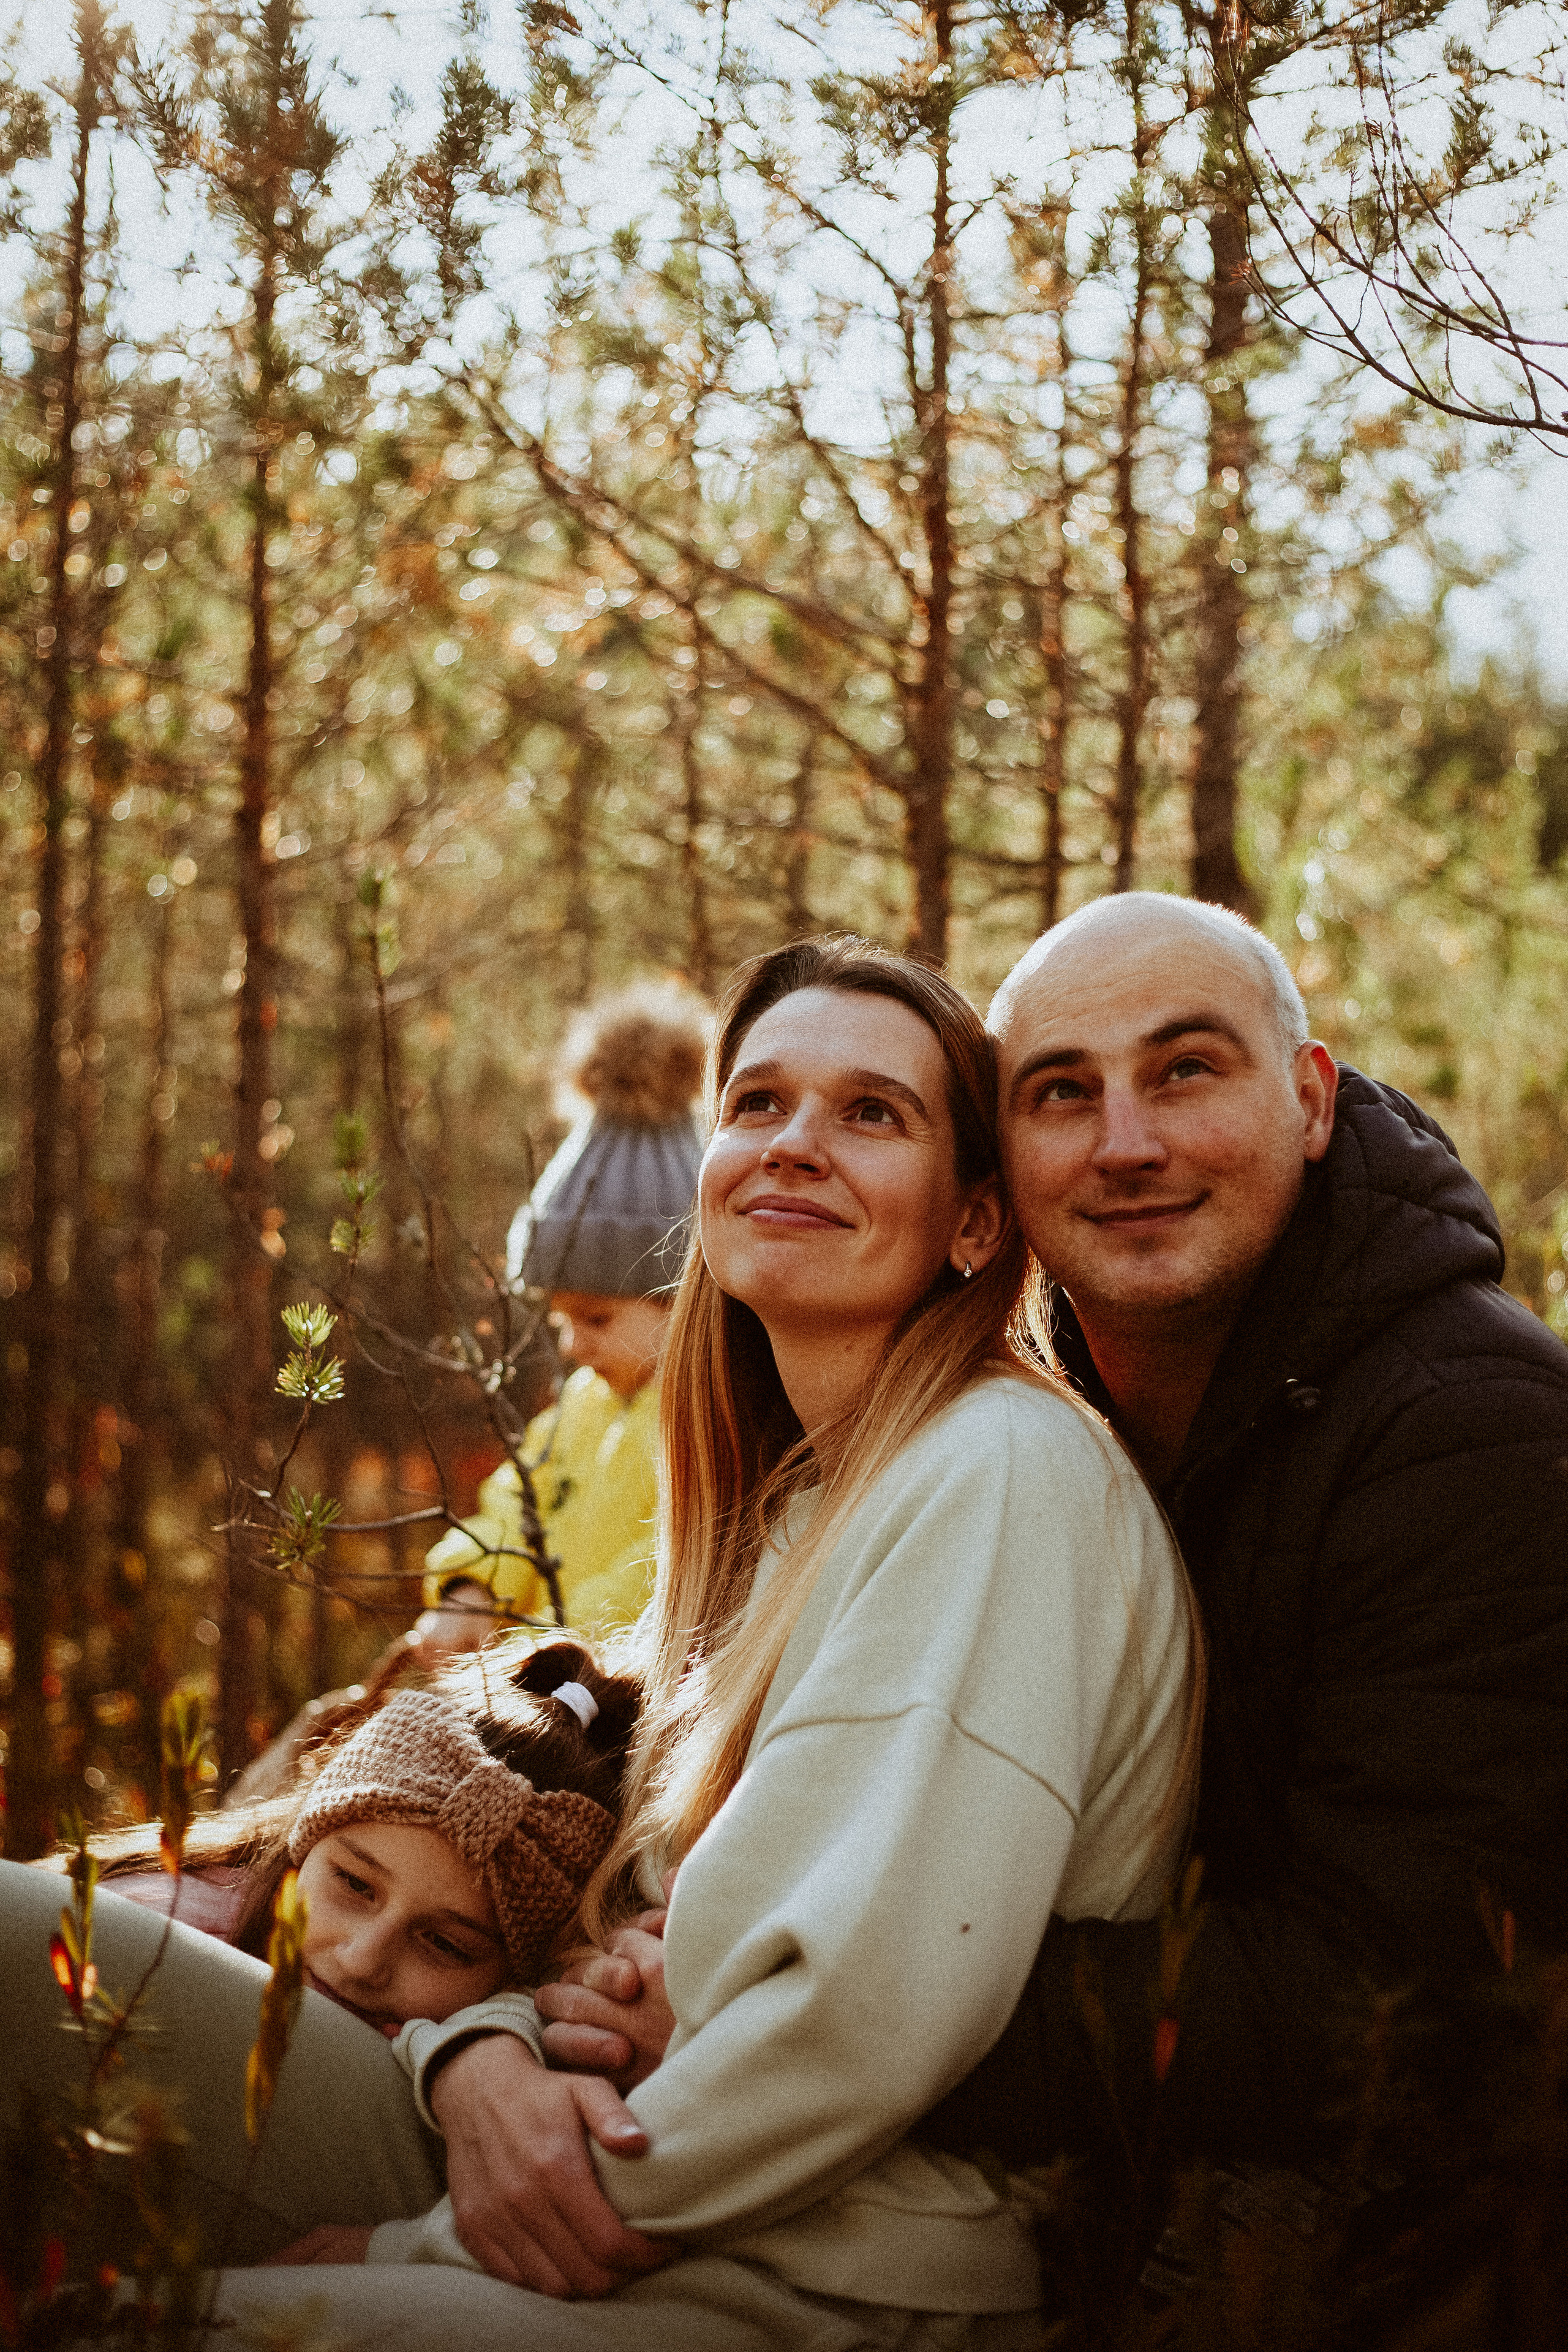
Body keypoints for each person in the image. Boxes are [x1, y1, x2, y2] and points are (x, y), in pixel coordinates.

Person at [23, 935, 1200, 2351]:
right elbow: (614, 1938)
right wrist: (478, 2056)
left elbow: (853, 2015)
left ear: (968, 1221)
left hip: (809, 2272)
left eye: (868, 1112)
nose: (793, 1145)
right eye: (756, 1104)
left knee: (112, 2327)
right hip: (626, 2173)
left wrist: (427, 2242)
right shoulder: (795, 1507)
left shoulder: (998, 1471)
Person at [901, 891, 1568, 2177]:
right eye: (1058, 1092)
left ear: (1310, 1101)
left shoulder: (1474, 1434)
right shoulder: (998, 1409)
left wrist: (839, 2023)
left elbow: (1382, 1998)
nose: (1125, 1144)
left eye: (1184, 1070)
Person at [422, 982, 710, 1646]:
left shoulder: (705, 1419)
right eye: (560, 1321)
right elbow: (517, 1503)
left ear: (684, 1299)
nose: (573, 1345)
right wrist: (471, 1588)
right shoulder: (581, 1409)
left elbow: (661, 1575)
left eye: (597, 1319)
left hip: (618, 1708)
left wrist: (541, 1648)